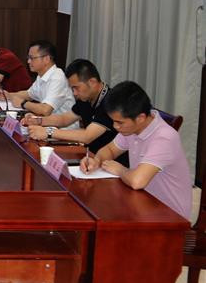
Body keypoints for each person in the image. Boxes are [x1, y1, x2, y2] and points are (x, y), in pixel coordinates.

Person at [80, 81, 192, 219]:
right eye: (113, 121)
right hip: (142, 202)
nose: (115, 126)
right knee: (95, 207)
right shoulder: (133, 128)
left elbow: (137, 181)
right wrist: (96, 161)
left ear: (140, 118)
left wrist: (120, 170)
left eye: (119, 122)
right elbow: (110, 149)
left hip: (169, 217)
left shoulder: (164, 137)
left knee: (102, 216)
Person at [25, 59, 126, 165]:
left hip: (112, 163)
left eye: (76, 88)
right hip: (90, 158)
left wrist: (48, 132)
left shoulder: (111, 101)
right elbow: (64, 119)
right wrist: (38, 121)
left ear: (92, 82)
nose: (74, 93)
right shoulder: (86, 98)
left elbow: (87, 136)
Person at [0, 40, 75, 118]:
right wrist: (8, 95)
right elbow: (29, 94)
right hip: (47, 121)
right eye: (28, 58)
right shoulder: (42, 75)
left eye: (32, 58)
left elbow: (46, 110)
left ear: (46, 59)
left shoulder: (57, 78)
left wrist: (23, 103)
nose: (28, 61)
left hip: (62, 125)